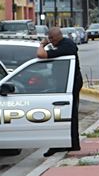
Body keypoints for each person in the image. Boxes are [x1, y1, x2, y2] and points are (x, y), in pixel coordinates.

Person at [36, 27, 83, 157]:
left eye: (51, 38)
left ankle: (70, 143)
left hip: (71, 83)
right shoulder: (63, 44)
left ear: (57, 36)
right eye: (48, 38)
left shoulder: (66, 46)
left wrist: (42, 44)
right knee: (62, 114)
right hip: (63, 83)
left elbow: (41, 55)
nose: (50, 41)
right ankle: (63, 142)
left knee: (68, 114)